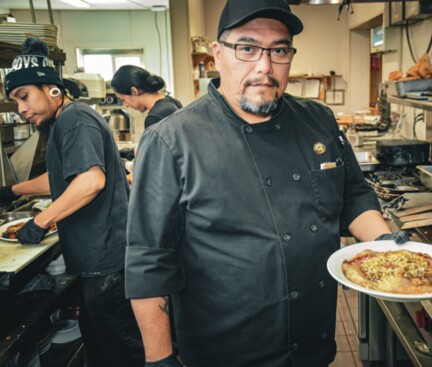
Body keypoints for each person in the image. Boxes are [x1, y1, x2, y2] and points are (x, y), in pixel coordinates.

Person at [125, 1, 408, 366]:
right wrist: (160, 360)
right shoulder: (171, 139)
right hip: (225, 352)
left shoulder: (318, 120)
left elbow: (352, 193)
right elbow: (149, 259)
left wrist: (386, 246)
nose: (265, 66)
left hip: (312, 347)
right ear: (218, 54)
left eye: (279, 50)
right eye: (247, 48)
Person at [0, 37, 145, 367]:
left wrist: (39, 221)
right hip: (97, 258)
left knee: (123, 349)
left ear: (51, 88)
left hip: (106, 260)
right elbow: (59, 178)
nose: (21, 109)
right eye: (14, 101)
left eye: (24, 96)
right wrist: (13, 191)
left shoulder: (74, 120)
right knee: (101, 344)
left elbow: (91, 181)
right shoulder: (66, 121)